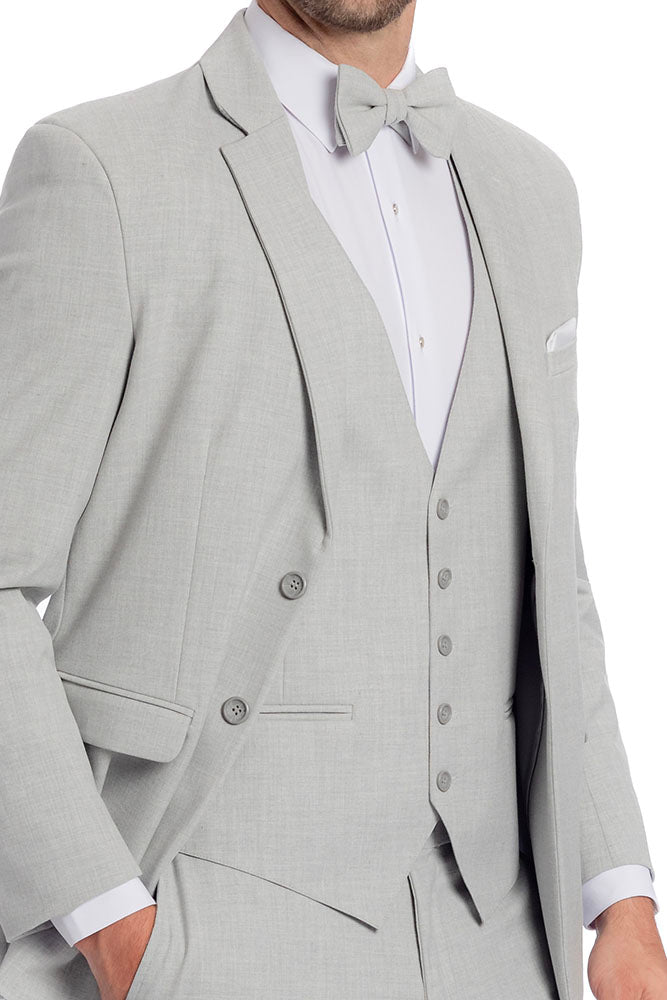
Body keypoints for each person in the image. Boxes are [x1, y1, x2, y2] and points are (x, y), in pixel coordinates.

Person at [0, 1, 665, 998]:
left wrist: (621, 898)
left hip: (503, 944)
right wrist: (110, 921)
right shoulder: (103, 170)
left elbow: (547, 575)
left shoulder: (532, 189)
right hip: (206, 925)